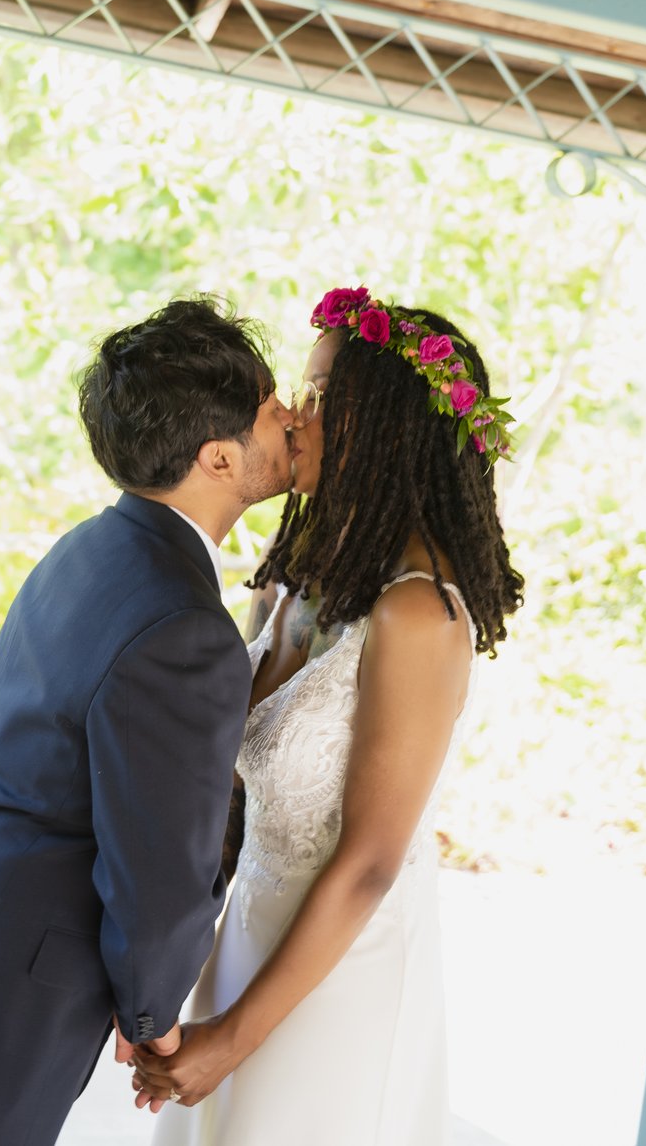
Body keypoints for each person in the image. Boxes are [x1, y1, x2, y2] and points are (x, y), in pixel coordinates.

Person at [0, 296, 294, 1146]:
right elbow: (156, 863)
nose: (290, 420)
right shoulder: (184, 626)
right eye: (270, 410)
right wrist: (157, 1018)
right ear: (218, 457)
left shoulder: (94, 545)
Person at [135, 284, 524, 1145]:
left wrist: (231, 1043)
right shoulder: (303, 572)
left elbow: (370, 864)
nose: (289, 415)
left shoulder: (419, 615)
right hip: (244, 941)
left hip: (341, 982)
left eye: (317, 396)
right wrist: (162, 970)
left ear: (384, 429)